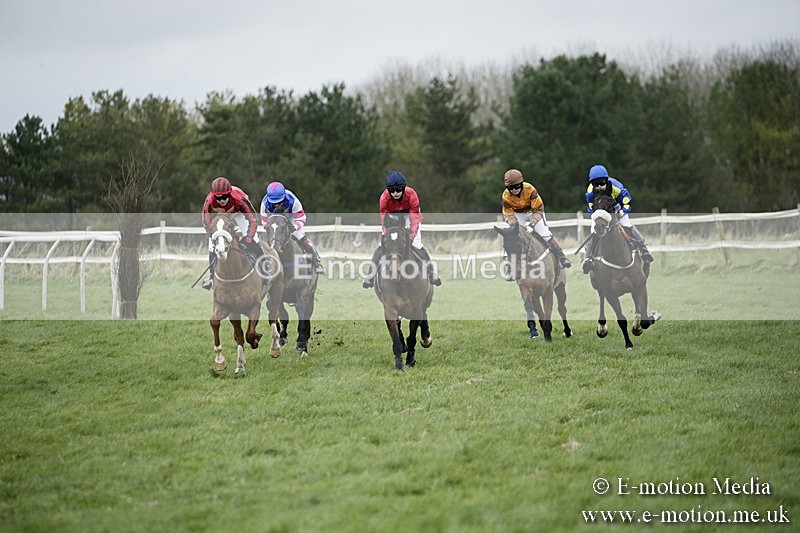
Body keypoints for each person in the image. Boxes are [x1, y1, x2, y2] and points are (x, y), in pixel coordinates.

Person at [362, 171, 442, 288]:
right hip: (392, 217)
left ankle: (432, 273)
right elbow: (385, 221)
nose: (395, 193)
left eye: (398, 190)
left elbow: (414, 220)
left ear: (403, 188)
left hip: (410, 216)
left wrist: (410, 238)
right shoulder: (384, 198)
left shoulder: (411, 195)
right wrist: (387, 235)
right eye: (392, 190)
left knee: (417, 244)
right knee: (382, 244)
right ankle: (370, 275)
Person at [582, 164, 654, 273]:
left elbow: (627, 202)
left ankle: (644, 250)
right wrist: (599, 216)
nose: (599, 186)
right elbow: (590, 207)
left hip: (617, 209)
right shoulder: (590, 192)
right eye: (596, 184)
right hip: (600, 211)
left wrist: (620, 214)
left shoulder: (617, 187)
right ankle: (589, 258)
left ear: (606, 181)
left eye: (602, 183)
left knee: (627, 225)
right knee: (593, 231)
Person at [501, 168, 572, 275]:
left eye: (517, 186)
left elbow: (538, 209)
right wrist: (514, 226)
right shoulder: (506, 196)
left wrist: (532, 224)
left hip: (534, 212)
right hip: (518, 214)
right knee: (513, 237)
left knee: (545, 234)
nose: (514, 189)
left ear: (522, 184)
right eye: (511, 188)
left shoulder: (530, 189)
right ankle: (509, 263)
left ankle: (562, 257)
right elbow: (508, 214)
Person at [200, 176, 266, 290]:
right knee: (211, 245)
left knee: (253, 238)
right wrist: (214, 237)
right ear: (213, 195)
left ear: (229, 193)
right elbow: (206, 223)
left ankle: (265, 268)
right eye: (218, 197)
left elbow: (253, 219)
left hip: (238, 213)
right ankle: (212, 278)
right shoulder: (209, 201)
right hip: (219, 216)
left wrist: (248, 238)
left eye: (224, 196)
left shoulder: (239, 198)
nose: (221, 200)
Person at [260, 181, 325, 274]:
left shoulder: (293, 200)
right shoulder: (264, 203)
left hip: (292, 219)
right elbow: (264, 220)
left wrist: (294, 227)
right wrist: (268, 227)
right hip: (274, 221)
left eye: (279, 202)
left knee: (301, 238)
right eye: (274, 202)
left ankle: (316, 262)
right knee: (267, 242)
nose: (277, 204)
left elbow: (302, 218)